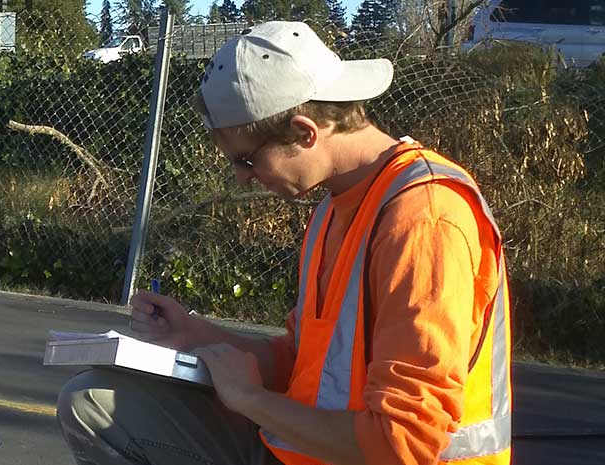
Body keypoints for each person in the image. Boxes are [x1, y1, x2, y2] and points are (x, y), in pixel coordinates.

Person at [56, 21, 512, 465]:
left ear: (304, 132)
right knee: (93, 399)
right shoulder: (334, 209)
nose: (241, 179)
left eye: (247, 160)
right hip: (304, 450)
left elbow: (405, 444)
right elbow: (303, 366)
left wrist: (249, 399)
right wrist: (194, 335)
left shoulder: (424, 218)